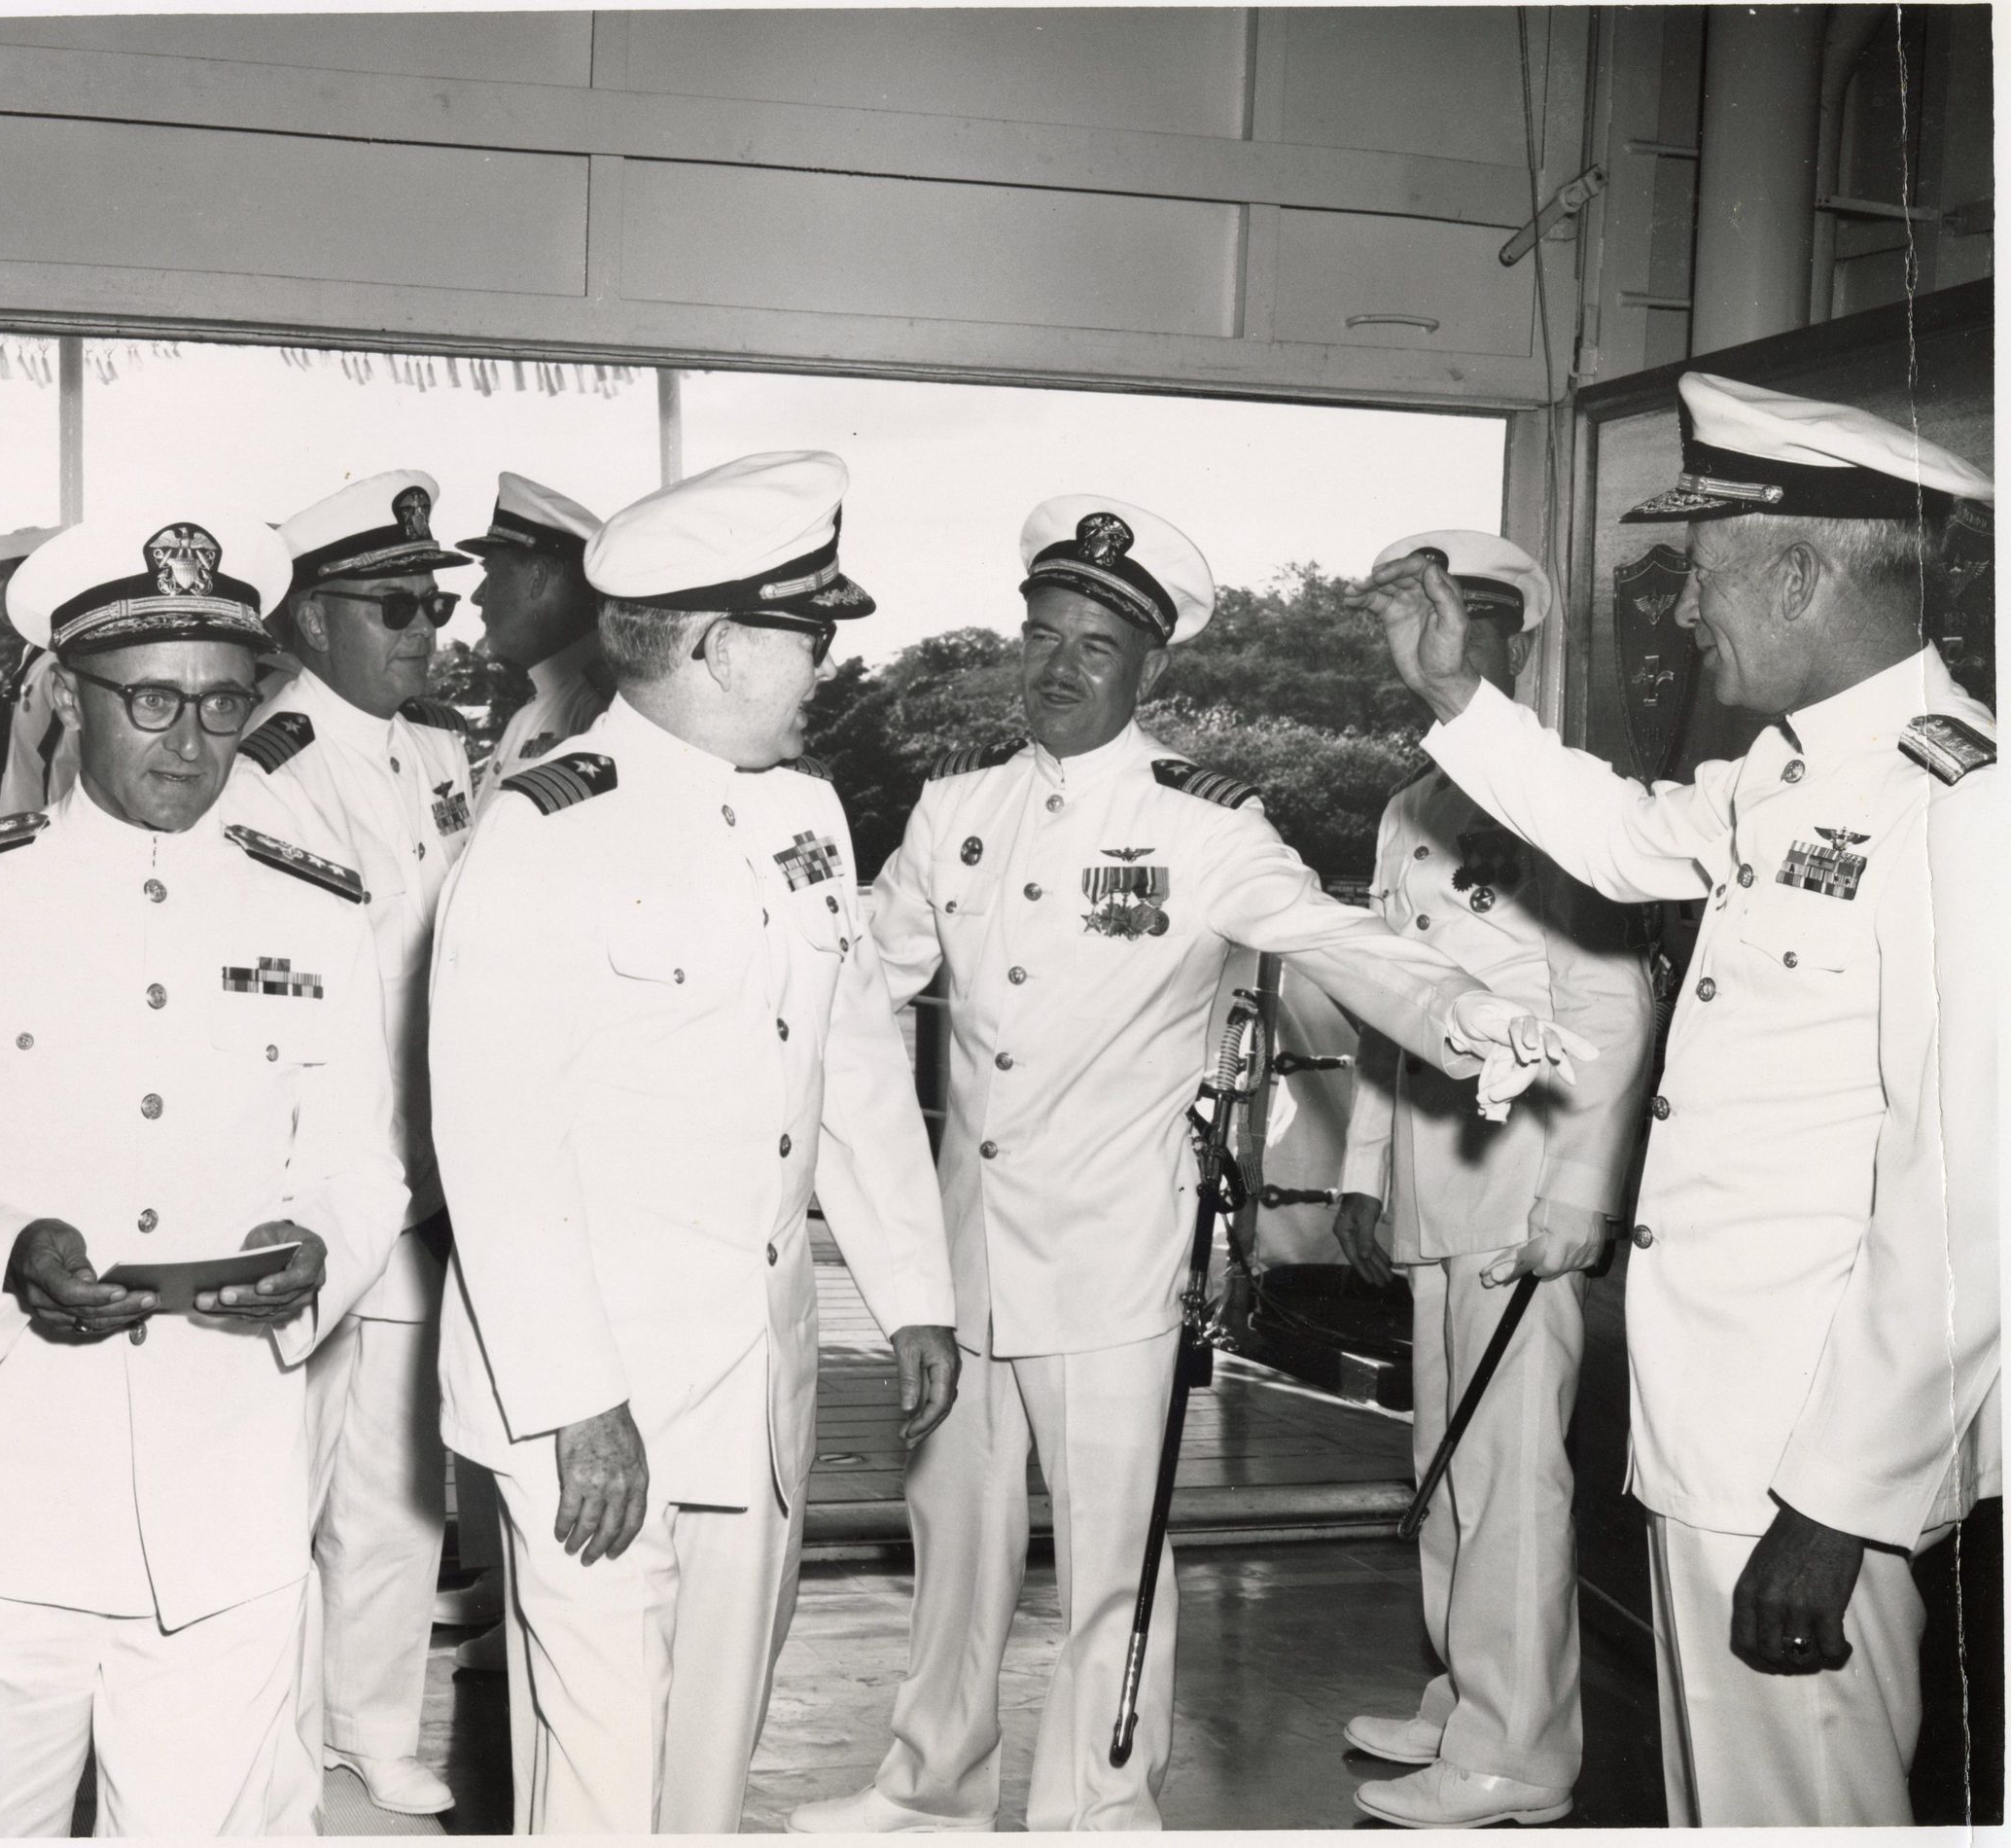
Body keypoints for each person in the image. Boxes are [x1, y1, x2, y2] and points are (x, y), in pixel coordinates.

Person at [791, 497, 1592, 1834]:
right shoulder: (955, 809)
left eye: (1095, 646)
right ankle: (929, 1788)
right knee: (955, 1543)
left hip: (1112, 1255)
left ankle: (1101, 1809)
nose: (1058, 667)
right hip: (963, 1252)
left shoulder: (1205, 823)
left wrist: (1474, 1018)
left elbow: (1342, 943)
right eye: (1042, 636)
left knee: (1110, 1564)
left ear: (1149, 664)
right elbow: (862, 989)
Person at [1352, 372, 1998, 1827]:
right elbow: (1626, 841)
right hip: (1720, 1426)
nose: (1685, 612)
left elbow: (1973, 1197)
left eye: (1704, 576)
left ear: (1798, 572)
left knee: (1805, 1804)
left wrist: (1840, 1502)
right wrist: (1458, 698)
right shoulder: (1790, 772)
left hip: (1809, 1453)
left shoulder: (1958, 802)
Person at [0, 509, 406, 1837]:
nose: (191, 741)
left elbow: (365, 1166)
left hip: (230, 1489)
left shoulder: (315, 910)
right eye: (152, 700)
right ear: (68, 697)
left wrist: (318, 1254)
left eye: (224, 703)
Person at [430, 449, 961, 1832]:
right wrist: (578, 1403)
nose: (825, 666)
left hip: (756, 1373)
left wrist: (913, 1291)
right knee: (600, 1770)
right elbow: (497, 1141)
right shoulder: (548, 830)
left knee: (709, 1758)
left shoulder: (804, 811)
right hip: (589, 1389)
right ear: (721, 646)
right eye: (808, 636)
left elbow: (847, 1061)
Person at [1330, 531, 1656, 1828]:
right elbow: (1390, 997)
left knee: (1511, 1475)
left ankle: (1518, 1754)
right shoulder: (1411, 804)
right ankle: (1467, 1697)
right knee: (1450, 1458)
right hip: (1435, 1181)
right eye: (1427, 616)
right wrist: (1364, 1166)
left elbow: (1614, 1004)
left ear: (1517, 639)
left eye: (1471, 619)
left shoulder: (1560, 802)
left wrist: (1578, 1195)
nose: (1445, 640)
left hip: (1523, 1185)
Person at [220, 468, 477, 1819]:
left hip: (424, 1180)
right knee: (280, 1477)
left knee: (397, 1479)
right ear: (312, 619)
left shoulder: (437, 748)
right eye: (396, 607)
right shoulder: (271, 768)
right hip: (311, 1180)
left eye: (436, 607)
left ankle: (372, 1723)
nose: (426, 630)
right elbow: (281, 996)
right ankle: (269, 1729)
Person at [439, 469, 611, 1669]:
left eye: (498, 572)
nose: (477, 597)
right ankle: (512, 1599)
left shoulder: (595, 719)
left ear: (555, 577)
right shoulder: (532, 717)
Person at [466, 471, 617, 803]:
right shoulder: (546, 705)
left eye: (491, 573)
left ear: (537, 578)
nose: (477, 596)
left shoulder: (598, 710)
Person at [0, 524, 77, 815]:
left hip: (51, 835)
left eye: (0, 576)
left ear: (29, 582)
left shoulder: (64, 662)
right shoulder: (35, 654)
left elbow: (69, 766)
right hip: (22, 831)